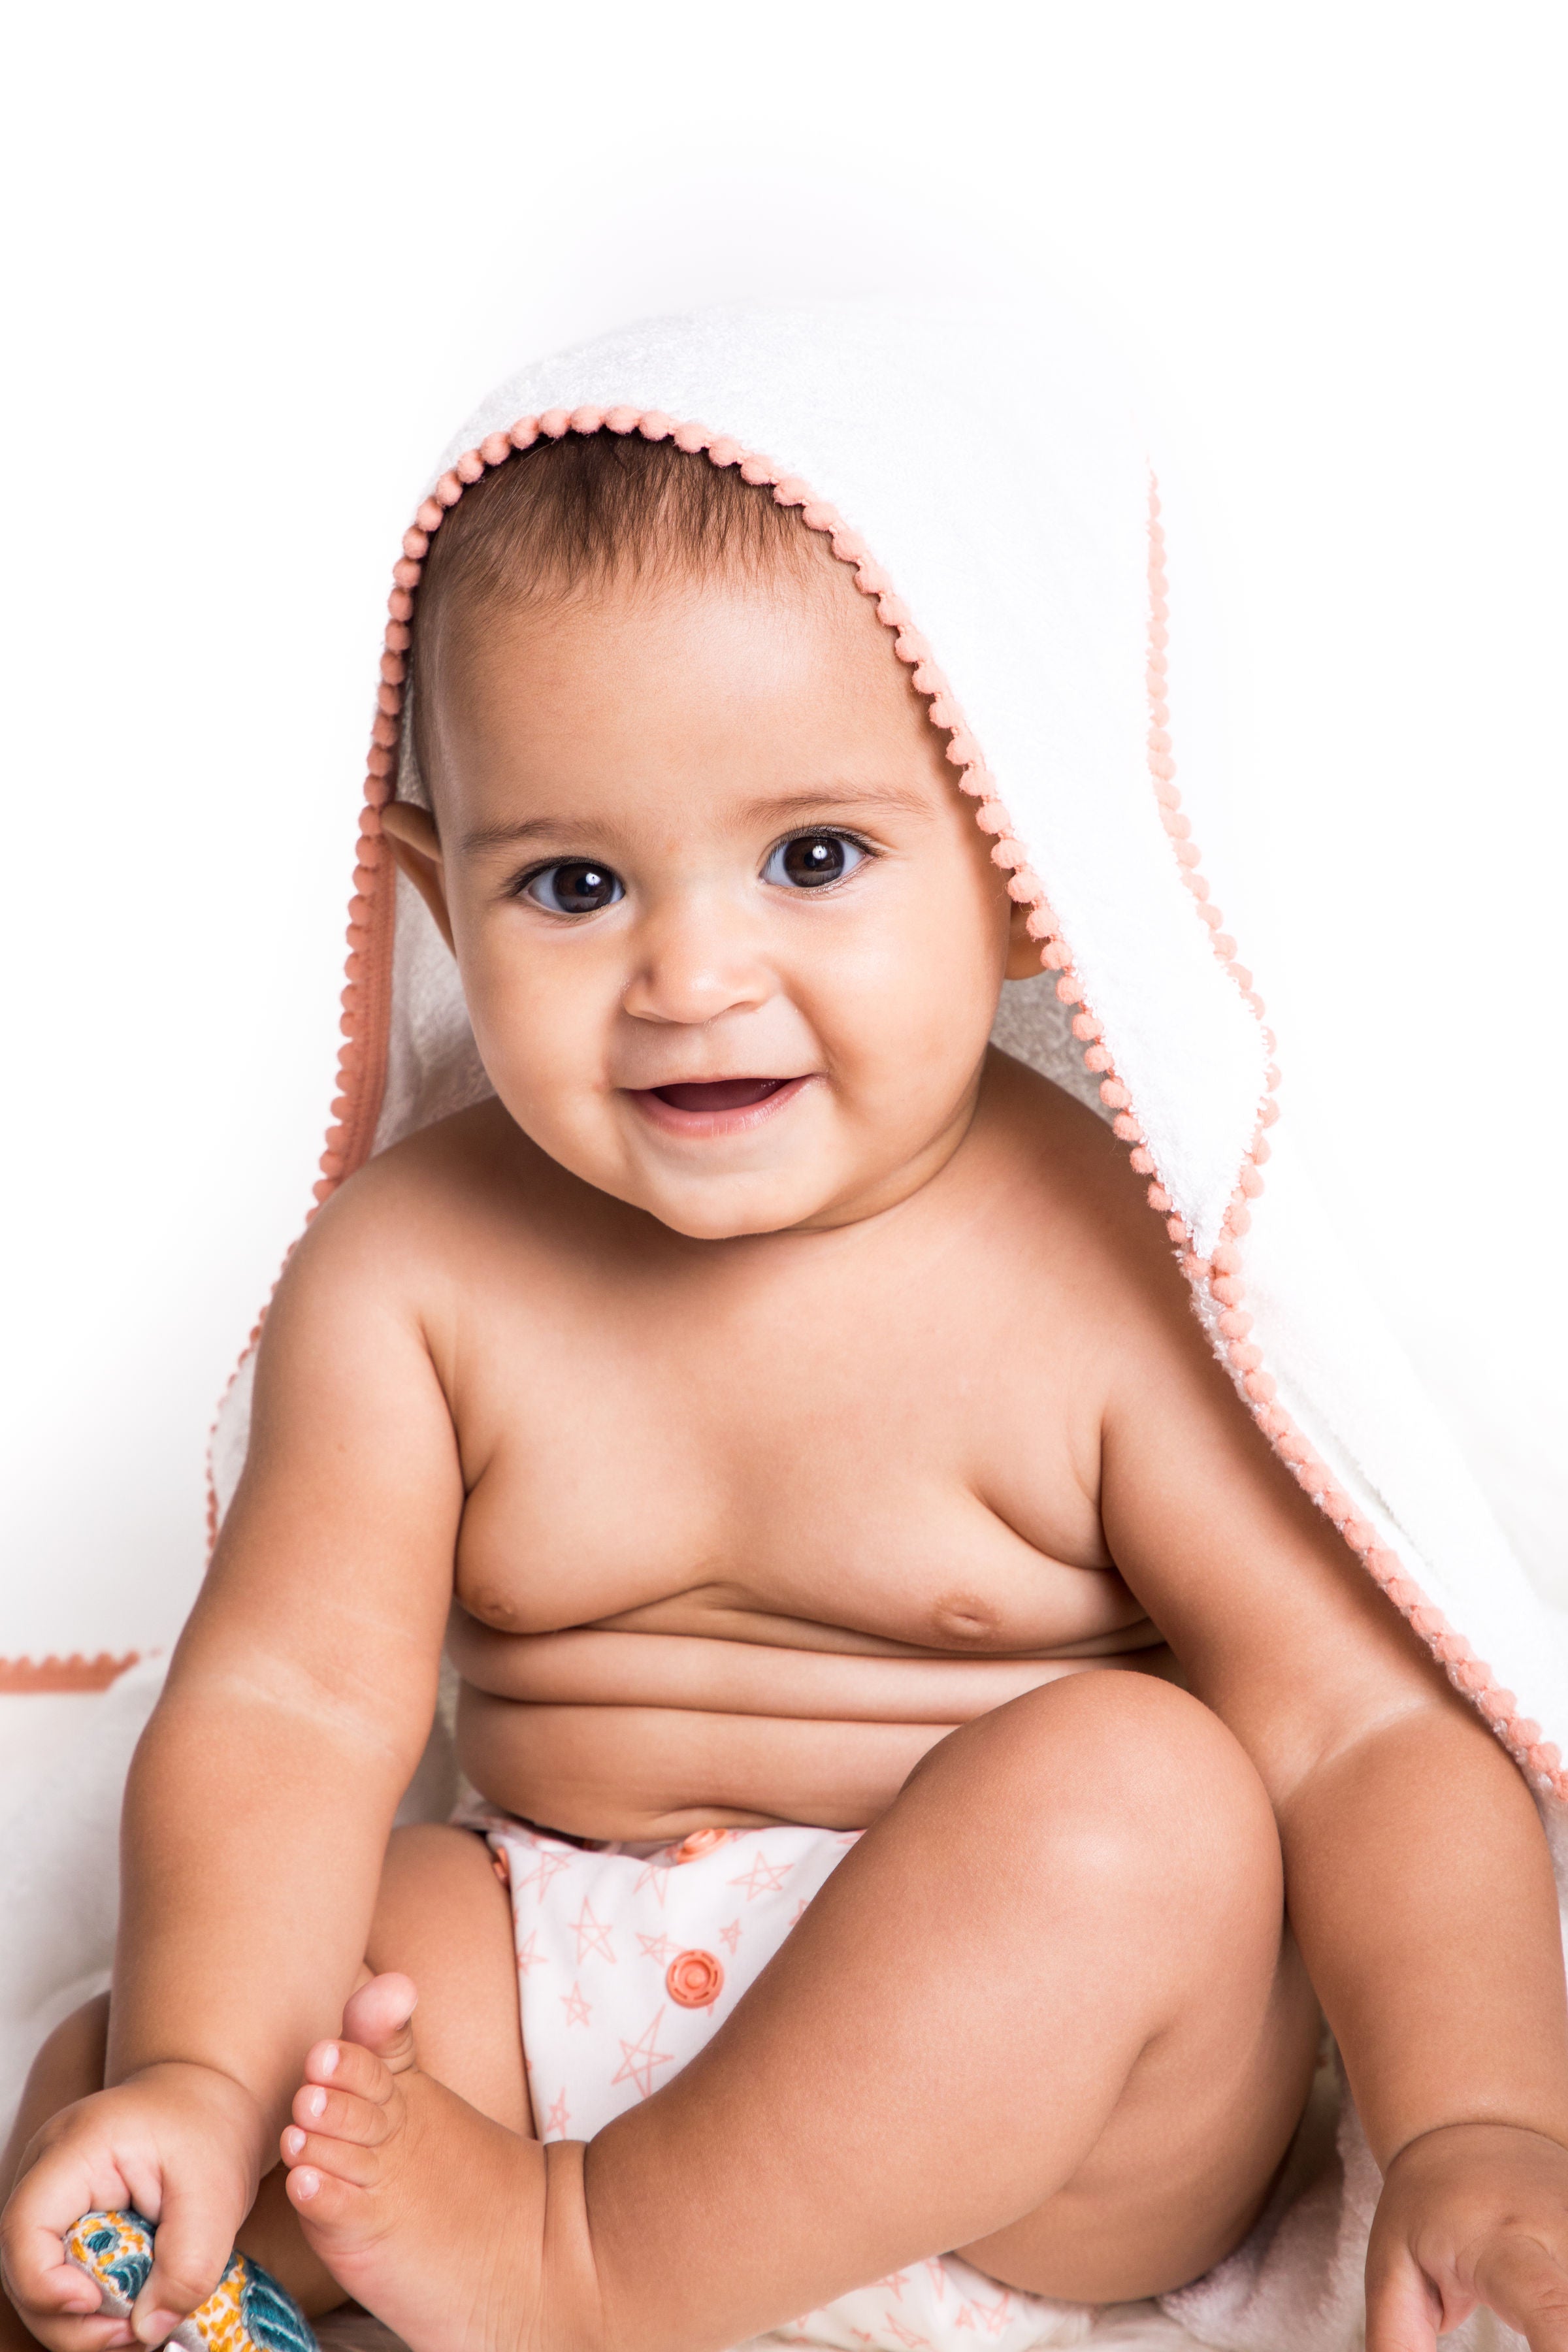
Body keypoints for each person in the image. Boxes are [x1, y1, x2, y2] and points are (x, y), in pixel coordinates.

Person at [5, 316, 1568, 2352]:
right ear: (437, 904)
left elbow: (1360, 1731)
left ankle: (589, 2272)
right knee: (137, 2074)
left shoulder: (1099, 1266)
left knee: (1144, 1802)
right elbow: (295, 1712)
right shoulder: (416, 1275)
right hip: (575, 2003)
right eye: (573, 883)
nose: (693, 973)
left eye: (813, 857)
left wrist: (1480, 2119)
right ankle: (257, 2226)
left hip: (1039, 2130)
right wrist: (208, 2081)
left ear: (1019, 876)